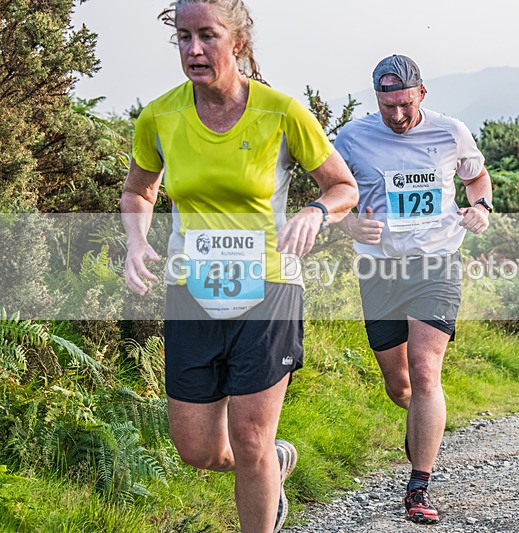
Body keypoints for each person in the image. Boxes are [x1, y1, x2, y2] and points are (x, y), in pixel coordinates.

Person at [120, 1, 358, 531]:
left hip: (270, 286)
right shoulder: (160, 115)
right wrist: (136, 241)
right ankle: (273, 466)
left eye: (207, 35)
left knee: (251, 439)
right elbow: (139, 191)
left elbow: (343, 186)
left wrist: (316, 212)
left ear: (238, 42)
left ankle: (261, 479)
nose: (194, 49)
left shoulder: (282, 112)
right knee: (198, 449)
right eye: (183, 37)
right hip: (190, 291)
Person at [334, 54, 492, 524]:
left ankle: (419, 485)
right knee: (400, 385)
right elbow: (333, 194)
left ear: (421, 94)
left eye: (405, 104)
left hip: (436, 262)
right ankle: (421, 419)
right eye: (388, 107)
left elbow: (476, 177)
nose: (398, 116)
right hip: (380, 270)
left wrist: (481, 207)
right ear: (376, 100)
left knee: (425, 372)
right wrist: (349, 227)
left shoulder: (450, 132)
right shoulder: (352, 137)